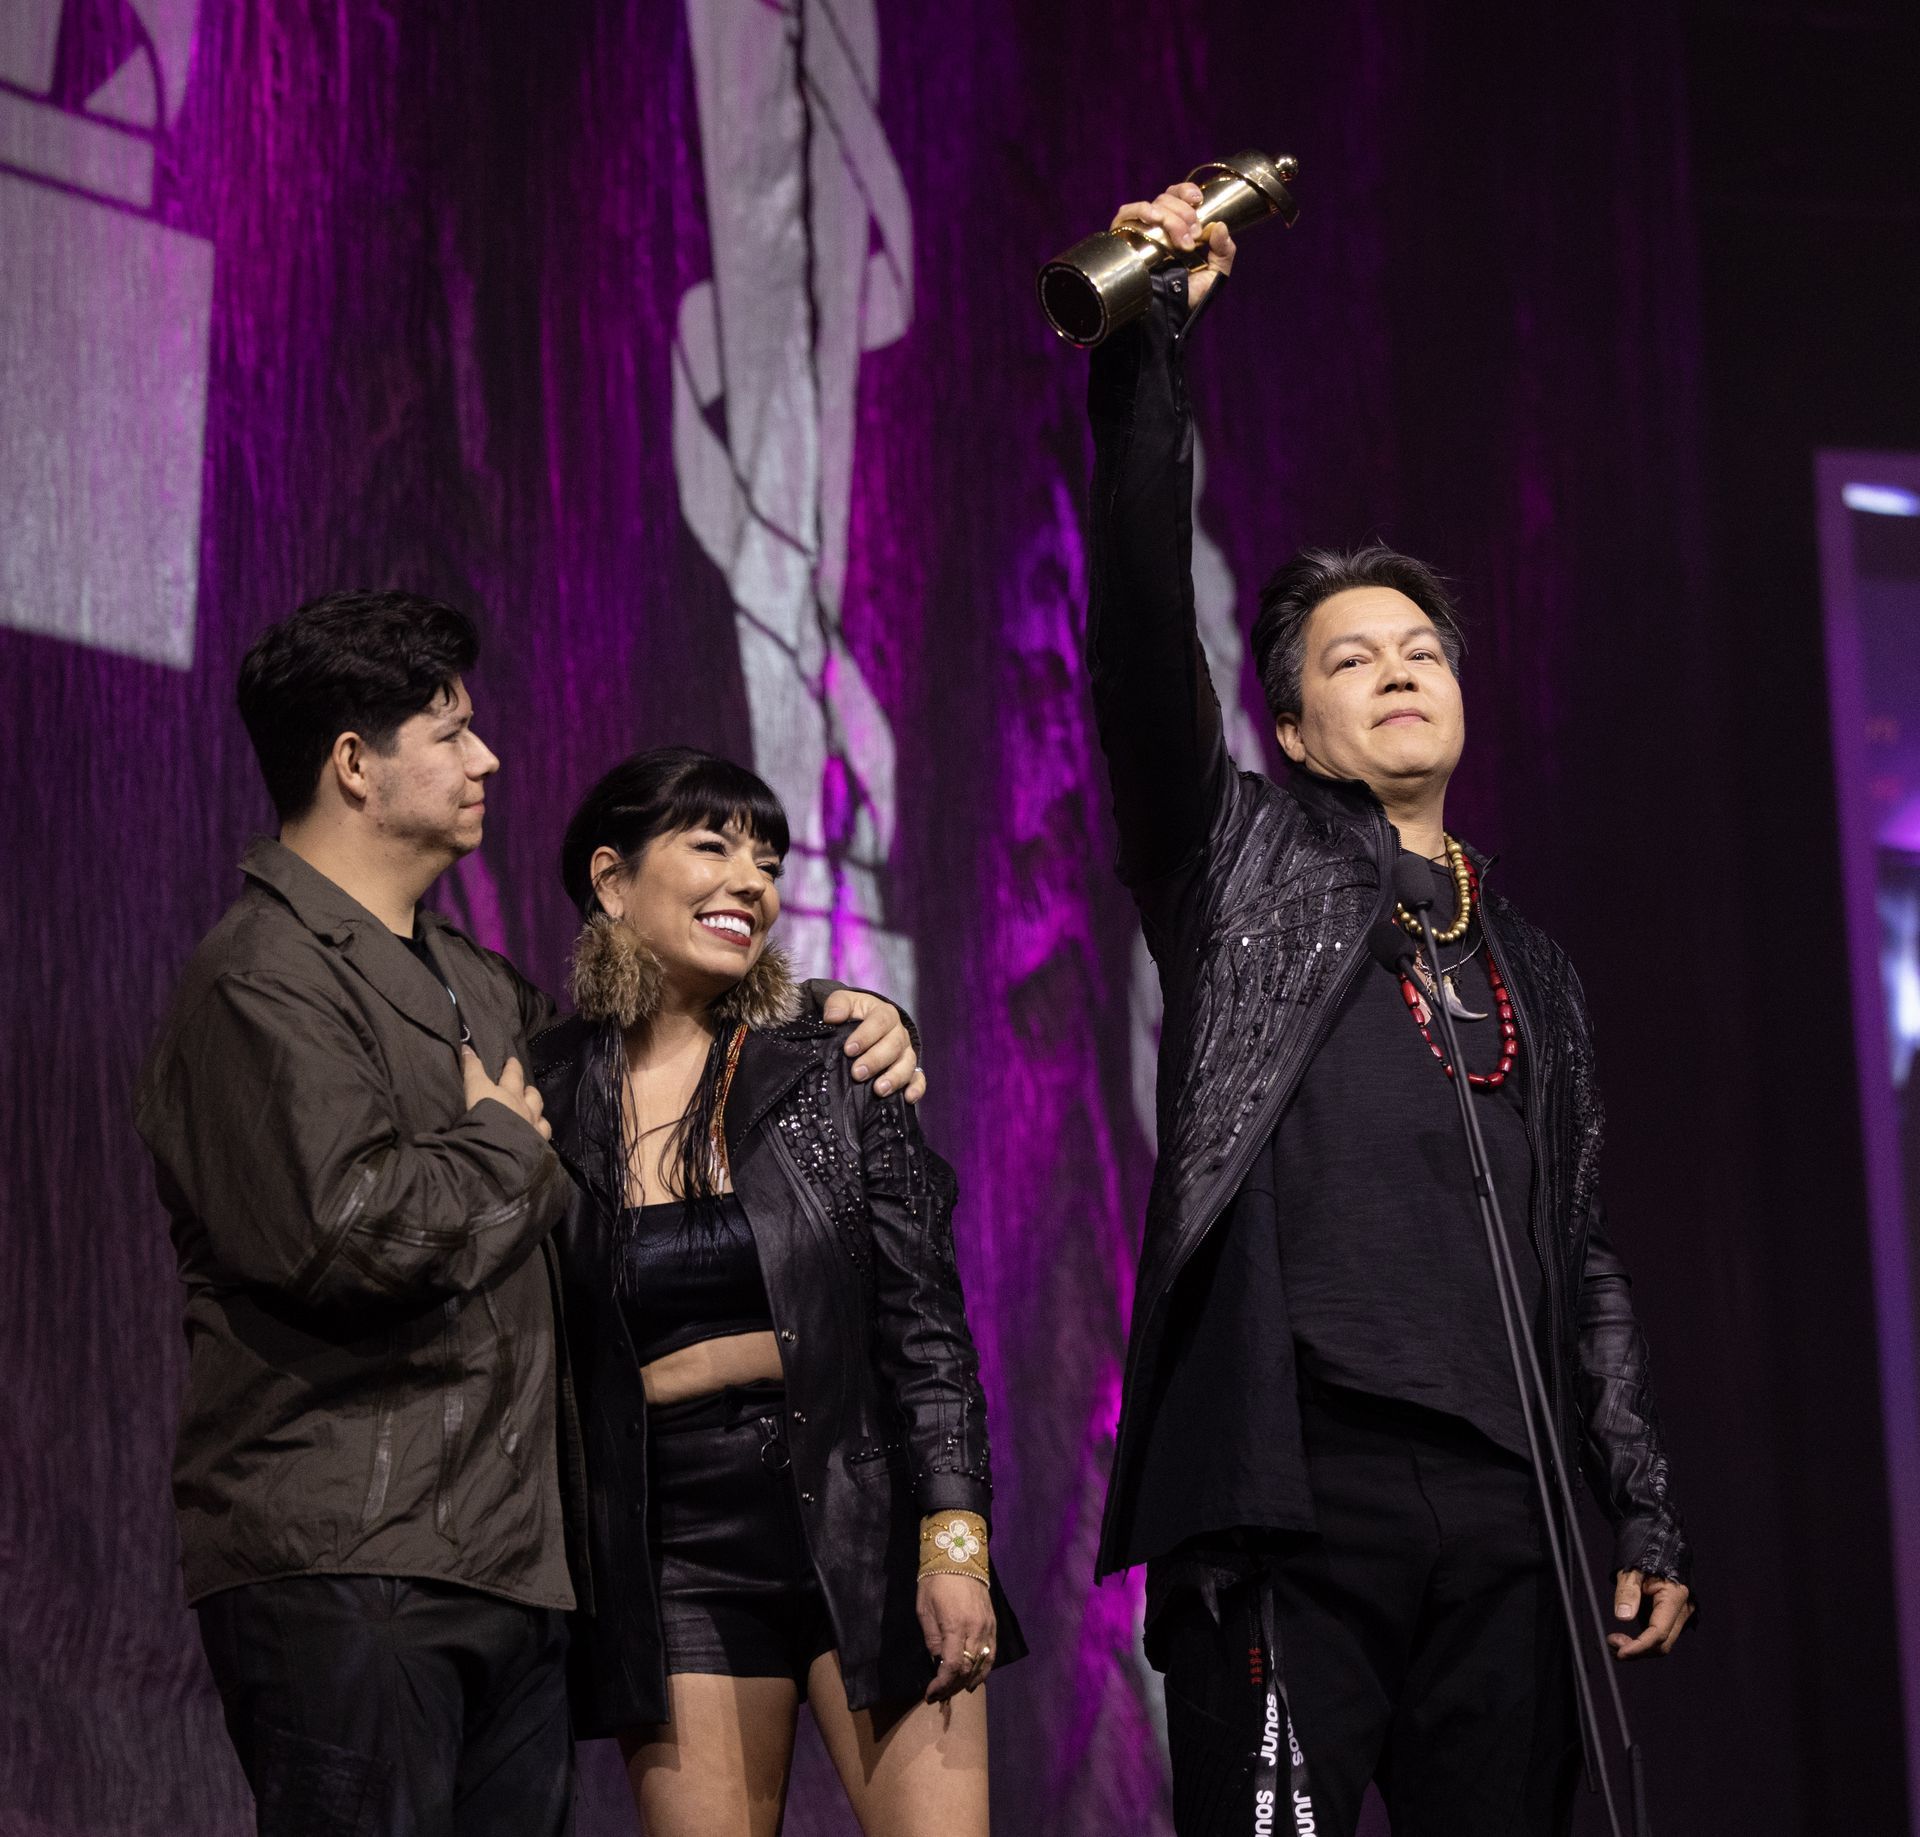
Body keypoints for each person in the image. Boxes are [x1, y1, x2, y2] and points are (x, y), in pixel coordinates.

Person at [1078, 187, 1694, 1836]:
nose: (1402, 668)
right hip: (1299, 1490)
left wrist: (1631, 1495)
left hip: (1516, 1506)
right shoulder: (1236, 862)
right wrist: (1150, 347)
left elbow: (1586, 1244)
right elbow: (1140, 623)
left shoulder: (1531, 962)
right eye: (1354, 659)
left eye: (1423, 646)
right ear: (1289, 724)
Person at [134, 590, 925, 1836]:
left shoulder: (471, 985)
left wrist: (835, 1013)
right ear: (354, 761)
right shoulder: (259, 976)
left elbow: (646, 1030)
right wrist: (506, 1142)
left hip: (508, 1564)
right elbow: (347, 1235)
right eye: (450, 731)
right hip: (353, 1552)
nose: (486, 756)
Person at [533, 746, 1023, 1837]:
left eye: (766, 857)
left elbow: (926, 1329)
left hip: (862, 1508)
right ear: (612, 879)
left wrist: (954, 1542)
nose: (750, 879)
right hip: (672, 1546)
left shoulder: (835, 1058)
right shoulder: (550, 1087)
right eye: (712, 845)